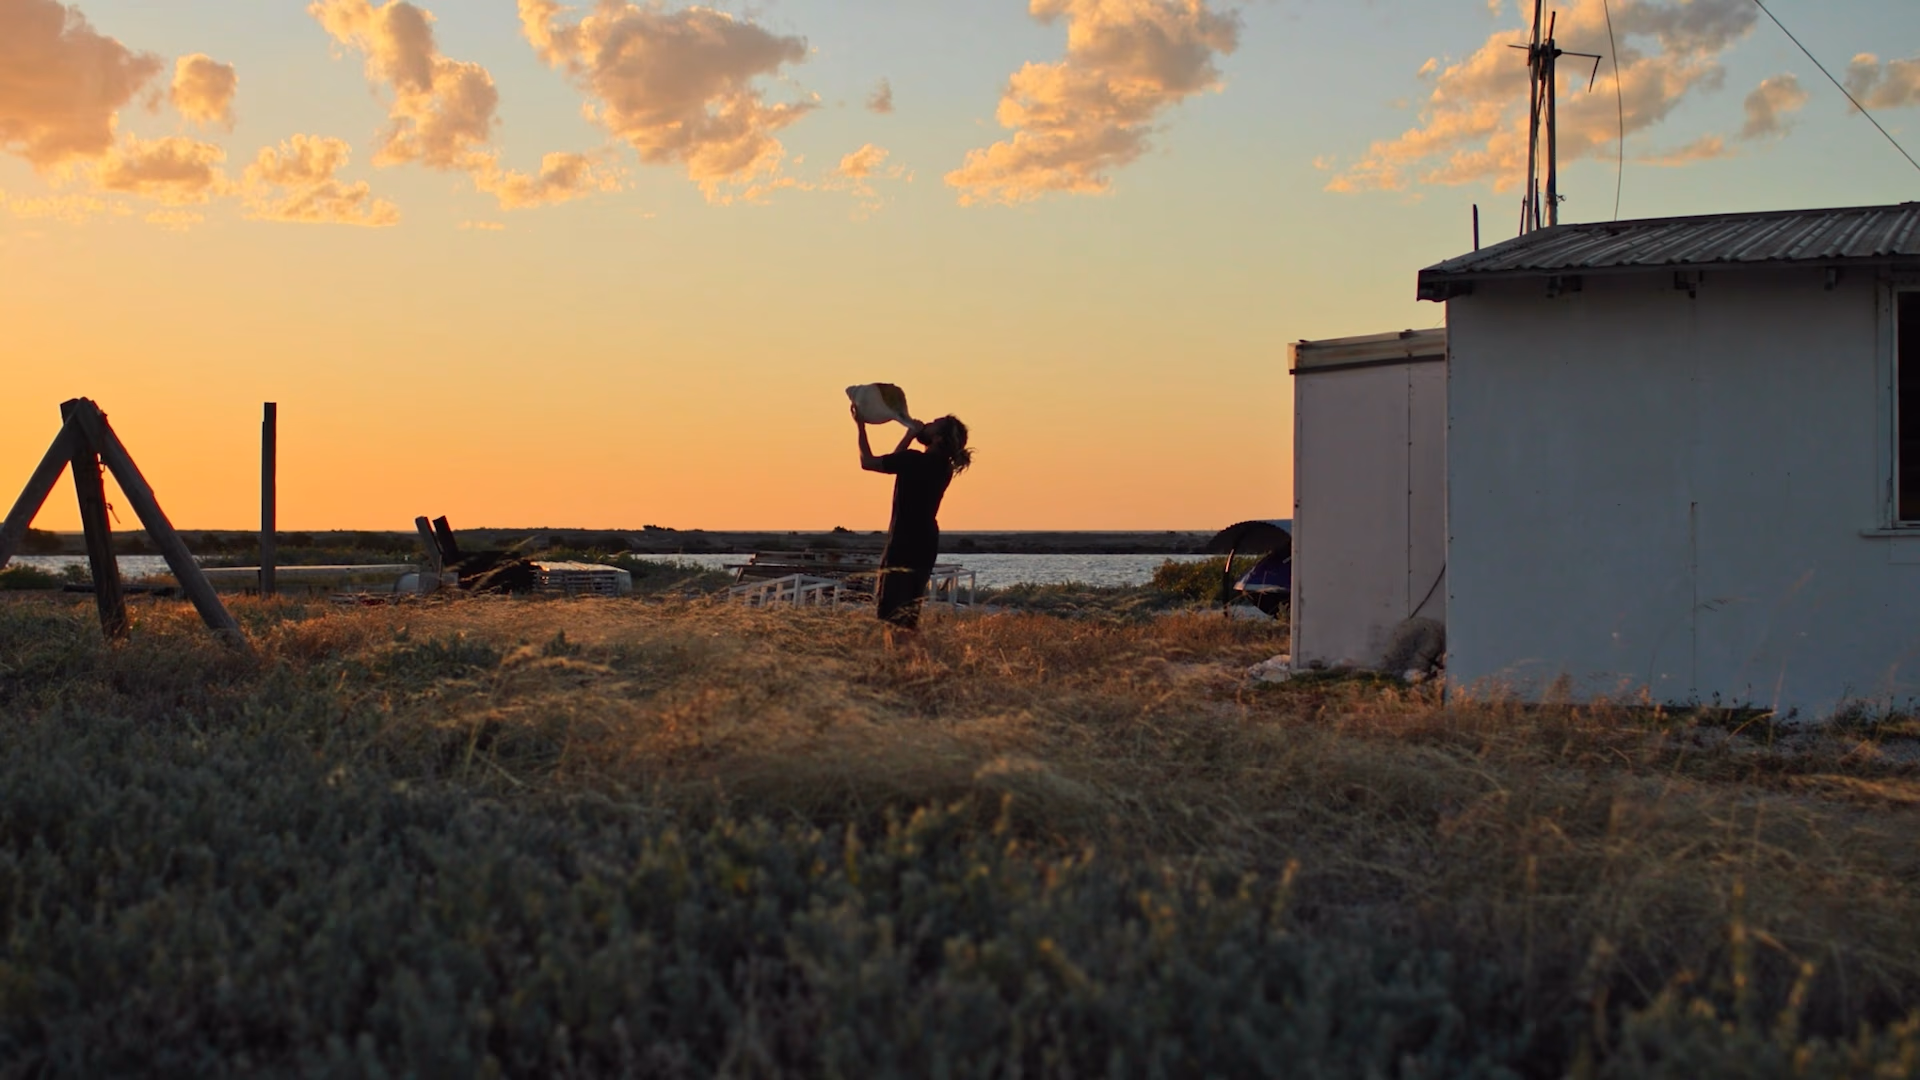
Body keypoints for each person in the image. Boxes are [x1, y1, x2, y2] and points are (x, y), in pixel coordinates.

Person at [853, 406, 971, 635]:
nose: (926, 424)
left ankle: (898, 655)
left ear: (937, 438)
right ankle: (910, 654)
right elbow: (896, 462)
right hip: (925, 543)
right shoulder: (944, 467)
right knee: (908, 615)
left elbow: (868, 462)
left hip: (903, 542)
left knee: (890, 616)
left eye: (933, 424)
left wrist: (861, 426)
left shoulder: (914, 460)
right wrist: (909, 435)